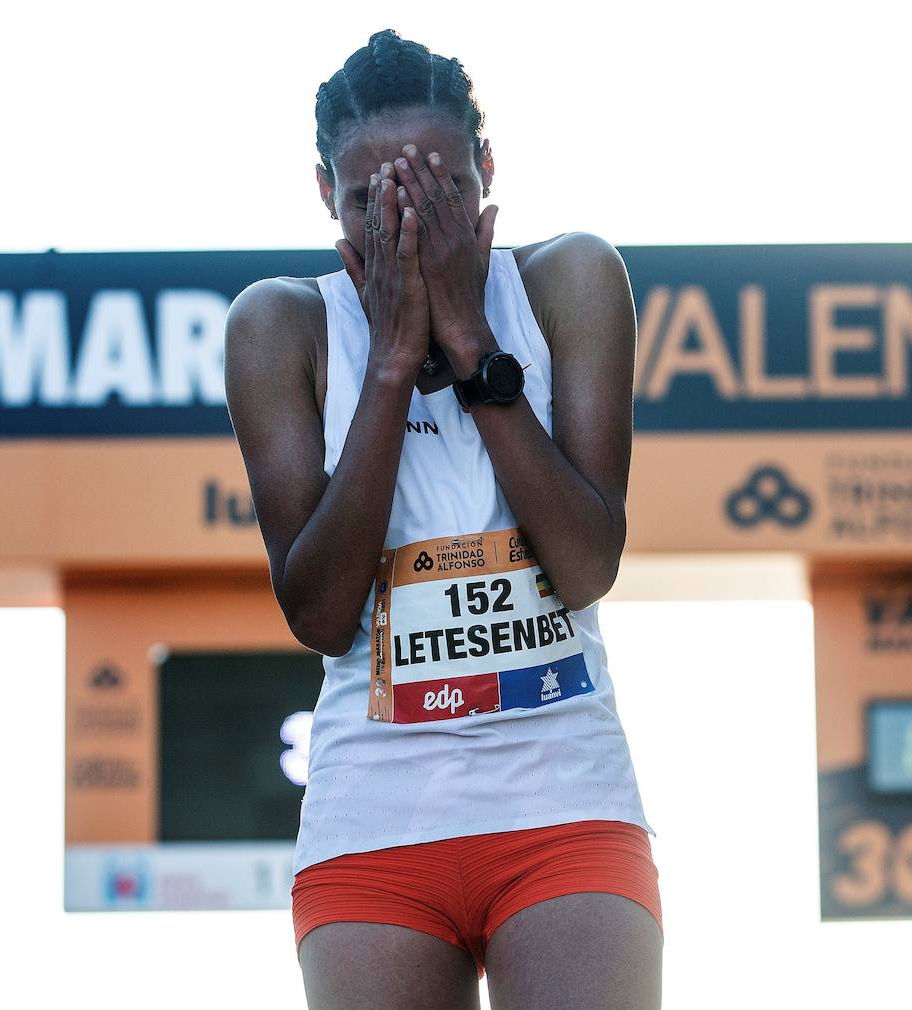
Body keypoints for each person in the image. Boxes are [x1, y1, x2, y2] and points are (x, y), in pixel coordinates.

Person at [223, 29, 661, 1010]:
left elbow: (586, 564)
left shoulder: (569, 281)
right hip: (374, 817)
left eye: (441, 191)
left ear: (489, 169)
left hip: (565, 796)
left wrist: (470, 345)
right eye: (374, 199)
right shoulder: (279, 325)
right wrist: (387, 366)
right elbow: (322, 611)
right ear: (326, 194)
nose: (408, 225)